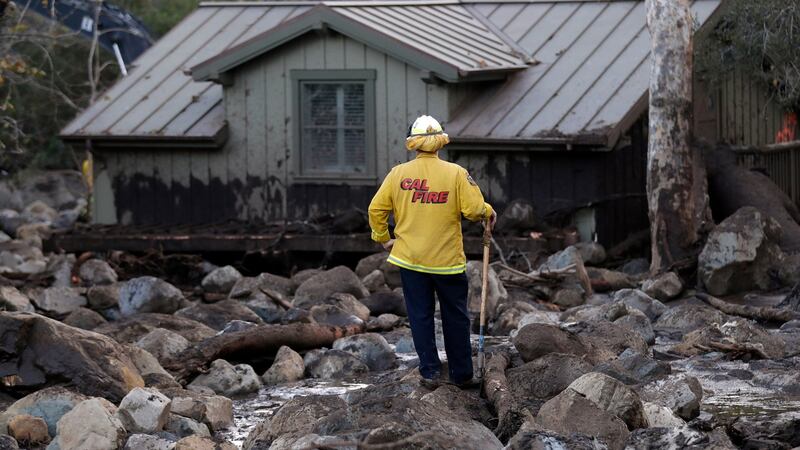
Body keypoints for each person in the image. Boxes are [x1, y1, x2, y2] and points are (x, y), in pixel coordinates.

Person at [368, 115, 496, 387]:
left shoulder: (398, 174)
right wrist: (489, 211)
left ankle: (430, 372)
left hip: (411, 259)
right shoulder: (456, 173)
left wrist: (383, 237)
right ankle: (462, 375)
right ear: (440, 142)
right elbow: (474, 211)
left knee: (420, 316)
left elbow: (376, 209)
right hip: (447, 262)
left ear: (413, 144)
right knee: (456, 316)